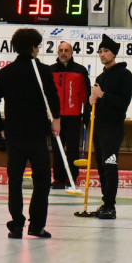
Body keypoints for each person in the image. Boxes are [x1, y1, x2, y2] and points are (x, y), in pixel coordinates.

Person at [0, 28, 61, 239]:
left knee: (15, 181)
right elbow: (53, 98)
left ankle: (17, 224)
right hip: (38, 135)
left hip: (14, 136)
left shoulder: (6, 72)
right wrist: (56, 120)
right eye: (37, 46)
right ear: (33, 48)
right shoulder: (43, 70)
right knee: (42, 180)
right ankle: (36, 225)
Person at [88, 34, 132, 220]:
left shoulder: (125, 75)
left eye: (106, 50)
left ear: (113, 53)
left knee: (110, 164)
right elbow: (98, 100)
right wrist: (92, 100)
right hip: (99, 126)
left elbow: (123, 103)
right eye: (100, 51)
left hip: (113, 127)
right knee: (100, 166)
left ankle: (111, 206)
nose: (102, 54)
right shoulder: (100, 76)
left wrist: (102, 95)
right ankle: (105, 202)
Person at [50, 41, 91, 189]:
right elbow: (46, 95)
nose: (63, 53)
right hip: (56, 117)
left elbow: (86, 96)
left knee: (73, 148)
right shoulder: (50, 70)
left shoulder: (80, 71)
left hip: (74, 117)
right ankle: (59, 179)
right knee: (57, 147)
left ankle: (71, 178)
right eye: (61, 50)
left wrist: (86, 115)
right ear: (57, 52)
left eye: (66, 50)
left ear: (72, 52)